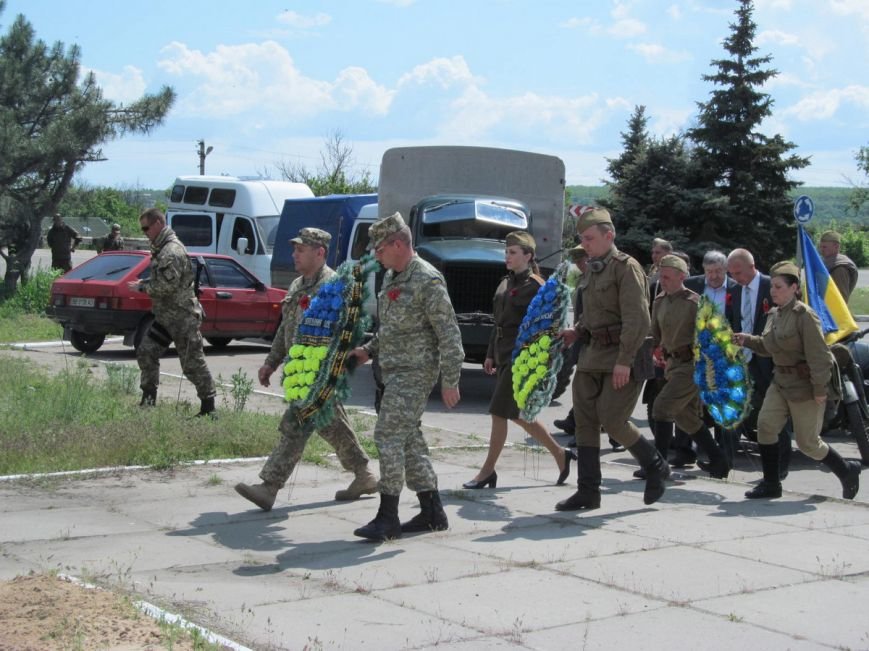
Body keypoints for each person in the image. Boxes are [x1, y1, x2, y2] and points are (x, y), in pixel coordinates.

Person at [234, 228, 378, 511]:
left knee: (295, 426)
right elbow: (285, 328)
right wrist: (271, 362)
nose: (294, 254)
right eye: (295, 249)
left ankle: (269, 487)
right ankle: (364, 475)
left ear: (319, 252)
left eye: (301, 250)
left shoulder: (336, 286)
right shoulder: (298, 285)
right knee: (332, 424)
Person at [348, 212, 464, 541]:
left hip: (415, 372)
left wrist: (451, 380)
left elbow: (449, 334)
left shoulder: (427, 280)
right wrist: (368, 350)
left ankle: (388, 517)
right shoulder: (393, 278)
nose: (376, 255)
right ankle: (432, 513)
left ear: (398, 244)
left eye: (380, 249)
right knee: (410, 443)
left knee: (387, 435)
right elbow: (393, 328)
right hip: (393, 371)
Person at [556, 208, 669, 511]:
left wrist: (625, 360)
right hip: (591, 354)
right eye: (582, 239)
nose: (586, 244)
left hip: (621, 356)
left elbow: (637, 319)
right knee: (585, 423)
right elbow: (593, 314)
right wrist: (576, 330)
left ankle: (655, 465)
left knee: (614, 420)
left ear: (609, 236)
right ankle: (588, 491)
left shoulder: (625, 268)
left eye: (590, 238)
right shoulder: (592, 269)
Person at [733, 261, 860, 500]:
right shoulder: (774, 314)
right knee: (766, 427)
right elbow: (768, 346)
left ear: (794, 288)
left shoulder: (805, 316)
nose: (773, 291)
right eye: (773, 286)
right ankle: (771, 484)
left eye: (779, 287)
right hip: (780, 381)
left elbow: (820, 356)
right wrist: (746, 340)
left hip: (805, 386)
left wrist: (820, 389)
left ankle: (846, 470)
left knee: (808, 443)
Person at [463, 231, 575, 489]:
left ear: (528, 255)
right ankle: (561, 454)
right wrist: (490, 352)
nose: (507, 257)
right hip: (503, 353)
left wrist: (541, 360)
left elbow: (548, 327)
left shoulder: (537, 286)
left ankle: (487, 471)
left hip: (521, 357)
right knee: (516, 414)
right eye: (506, 252)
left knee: (498, 412)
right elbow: (497, 321)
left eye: (513, 252)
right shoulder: (505, 282)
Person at [640, 254, 731, 480]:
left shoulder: (695, 303)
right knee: (685, 417)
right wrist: (655, 349)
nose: (664, 280)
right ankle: (719, 461)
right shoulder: (659, 300)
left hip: (692, 366)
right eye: (662, 276)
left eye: (669, 277)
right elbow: (655, 333)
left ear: (682, 276)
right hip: (672, 365)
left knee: (661, 407)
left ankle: (658, 466)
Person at [128, 208, 216, 417]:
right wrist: (145, 282)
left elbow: (167, 286)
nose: (145, 232)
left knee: (192, 364)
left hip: (182, 318)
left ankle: (209, 408)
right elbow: (163, 281)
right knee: (146, 351)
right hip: (167, 318)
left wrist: (142, 288)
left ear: (158, 223)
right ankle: (148, 400)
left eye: (146, 228)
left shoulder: (171, 251)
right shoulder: (162, 248)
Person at [727, 248, 792, 477]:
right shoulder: (734, 290)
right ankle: (724, 461)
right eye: (732, 273)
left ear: (752, 266)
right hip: (743, 359)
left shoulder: (770, 287)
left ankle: (781, 466)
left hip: (769, 360)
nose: (736, 277)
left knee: (776, 414)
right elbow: (732, 319)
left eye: (739, 272)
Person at [552, 245, 622, 452]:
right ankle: (577, 428)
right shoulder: (584, 281)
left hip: (602, 343)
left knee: (602, 395)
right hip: (584, 339)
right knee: (587, 392)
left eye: (583, 260)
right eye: (578, 262)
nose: (581, 264)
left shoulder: (603, 278)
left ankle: (614, 438)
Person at [819, 230, 858, 304]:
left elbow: (841, 298)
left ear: (836, 247)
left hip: (832, 311)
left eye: (824, 247)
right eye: (820, 247)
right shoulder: (828, 262)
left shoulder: (839, 268)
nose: (821, 250)